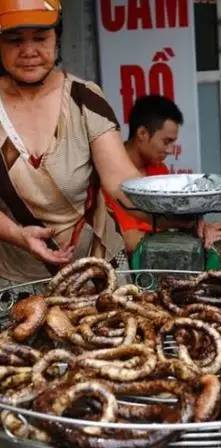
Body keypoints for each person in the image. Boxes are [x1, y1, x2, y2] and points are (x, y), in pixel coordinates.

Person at [0, 0, 148, 284]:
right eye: (15, 40)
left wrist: (175, 214)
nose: (29, 51)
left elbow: (120, 182)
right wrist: (19, 236)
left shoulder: (84, 98)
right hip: (17, 284)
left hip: (97, 273)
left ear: (57, 38)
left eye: (41, 38)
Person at [104, 95, 221, 255]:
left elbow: (175, 219)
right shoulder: (112, 178)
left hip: (176, 237)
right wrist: (190, 237)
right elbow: (130, 241)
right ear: (142, 133)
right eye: (166, 142)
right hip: (148, 253)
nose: (171, 150)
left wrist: (203, 228)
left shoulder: (159, 170)